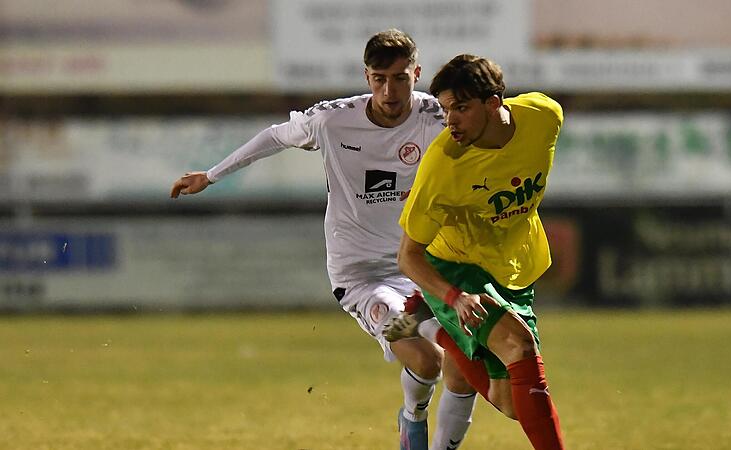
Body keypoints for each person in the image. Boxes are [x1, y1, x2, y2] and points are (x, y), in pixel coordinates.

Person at [169, 30, 476, 450]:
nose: (389, 91)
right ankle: (413, 417)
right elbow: (275, 136)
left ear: (416, 74)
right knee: (427, 359)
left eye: (400, 78)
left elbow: (486, 135)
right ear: (366, 77)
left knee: (454, 360)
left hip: (421, 270)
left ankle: (423, 426)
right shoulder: (333, 120)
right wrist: (211, 175)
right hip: (362, 278)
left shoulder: (436, 116)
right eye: (379, 79)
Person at [386, 54, 566, 449]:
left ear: (493, 102)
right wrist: (453, 296)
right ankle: (436, 310)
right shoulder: (443, 164)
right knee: (519, 345)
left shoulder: (545, 116)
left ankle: (432, 325)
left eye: (461, 108)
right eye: (445, 109)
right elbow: (408, 256)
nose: (450, 120)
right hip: (454, 266)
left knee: (511, 403)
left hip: (511, 265)